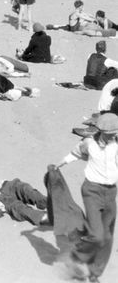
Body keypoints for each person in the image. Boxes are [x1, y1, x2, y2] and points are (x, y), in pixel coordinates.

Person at [53, 112, 118, 282]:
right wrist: (61, 163)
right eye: (112, 133)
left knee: (108, 236)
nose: (115, 135)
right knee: (97, 235)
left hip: (111, 192)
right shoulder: (89, 143)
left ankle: (95, 273)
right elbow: (75, 153)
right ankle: (77, 255)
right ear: (102, 131)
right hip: (92, 191)